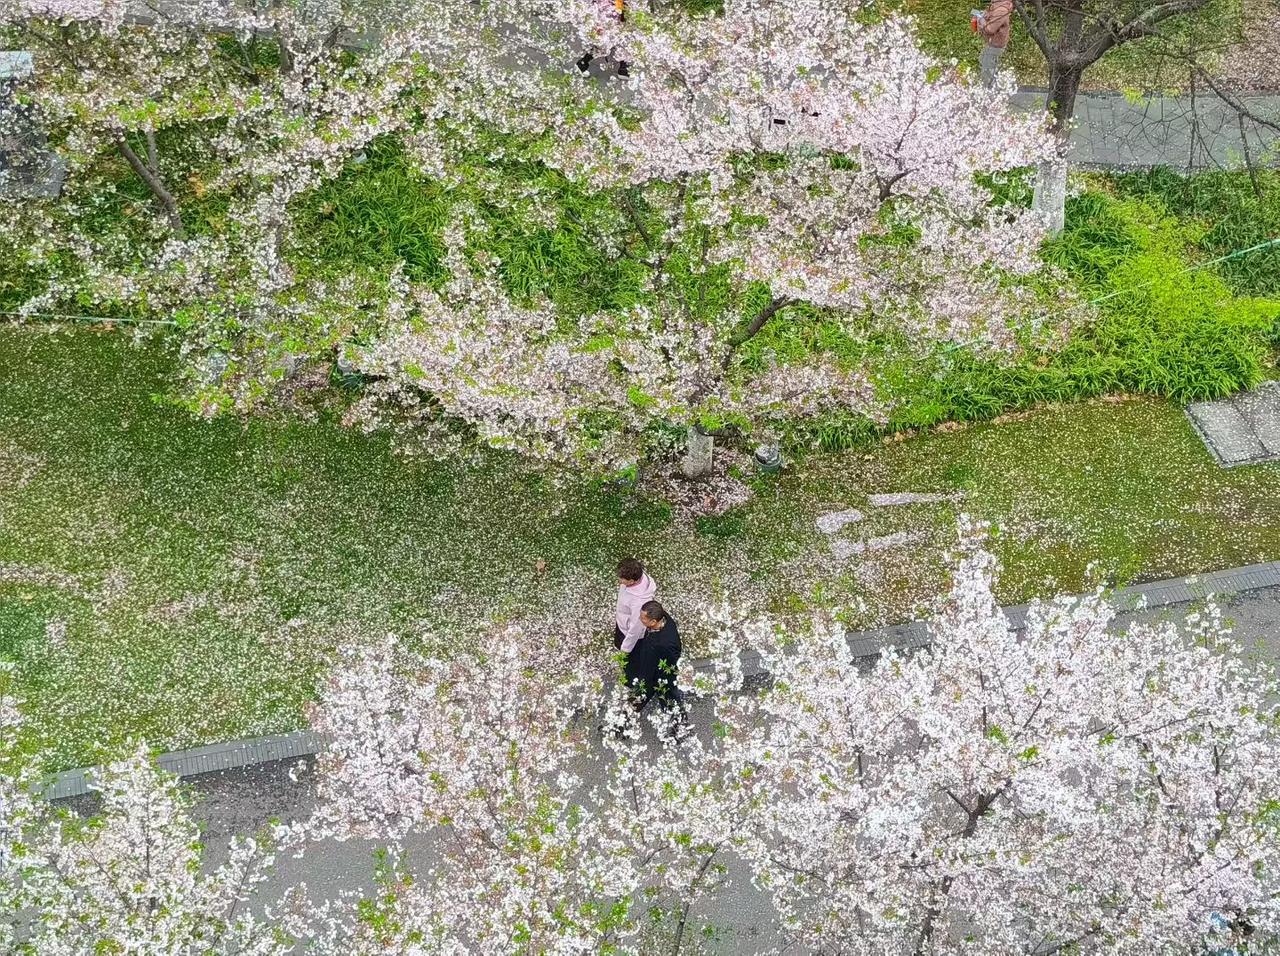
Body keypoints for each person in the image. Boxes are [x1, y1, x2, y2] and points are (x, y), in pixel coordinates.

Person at [625, 601, 688, 724]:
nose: (640, 619)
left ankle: (679, 729)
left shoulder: (665, 643)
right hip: (648, 669)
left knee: (669, 701)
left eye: (643, 618)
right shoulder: (661, 616)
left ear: (653, 622)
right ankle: (620, 725)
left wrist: (654, 678)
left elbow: (671, 662)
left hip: (657, 675)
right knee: (638, 698)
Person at [576, 0, 629, 78]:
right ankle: (583, 63)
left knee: (620, 36)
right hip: (609, 10)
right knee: (612, 39)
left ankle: (624, 67)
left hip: (611, 9)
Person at [614, 557, 657, 653]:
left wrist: (625, 650)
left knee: (629, 654)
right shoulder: (638, 574)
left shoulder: (639, 602)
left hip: (627, 631)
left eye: (622, 579)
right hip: (623, 620)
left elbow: (636, 629)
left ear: (633, 581)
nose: (619, 580)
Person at [977, 0, 1014, 88]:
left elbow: (990, 29)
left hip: (996, 45)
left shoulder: (1001, 10)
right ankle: (991, 85)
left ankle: (989, 90)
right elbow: (992, 16)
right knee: (983, 60)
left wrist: (981, 20)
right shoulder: (996, 5)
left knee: (988, 69)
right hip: (992, 43)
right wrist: (984, 14)